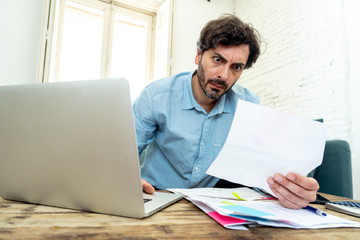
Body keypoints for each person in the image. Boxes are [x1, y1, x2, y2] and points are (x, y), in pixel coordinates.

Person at [133, 14, 319, 209]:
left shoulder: (248, 106)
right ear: (198, 55)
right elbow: (124, 151)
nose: (223, 75)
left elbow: (262, 170)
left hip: (208, 205)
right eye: (217, 59)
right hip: (155, 194)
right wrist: (127, 180)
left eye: (236, 67)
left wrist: (292, 189)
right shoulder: (157, 96)